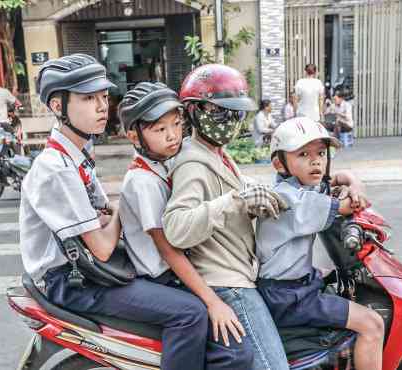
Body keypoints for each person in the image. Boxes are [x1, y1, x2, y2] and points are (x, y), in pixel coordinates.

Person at [19, 54, 210, 370]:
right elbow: (103, 248)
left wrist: (114, 213)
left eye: (103, 96)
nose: (100, 106)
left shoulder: (78, 154)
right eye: (87, 98)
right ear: (57, 106)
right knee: (190, 312)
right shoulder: (57, 168)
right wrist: (126, 204)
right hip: (72, 281)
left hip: (84, 267)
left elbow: (99, 215)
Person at [162, 63, 291, 370]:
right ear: (193, 112)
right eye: (220, 111)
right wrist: (236, 200)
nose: (231, 120)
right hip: (227, 284)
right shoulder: (193, 162)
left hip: (241, 274)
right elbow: (177, 228)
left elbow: (236, 189)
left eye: (236, 112)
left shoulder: (217, 152)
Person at [118, 81, 252, 369]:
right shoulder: (143, 181)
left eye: (177, 124)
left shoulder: (162, 164)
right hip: (163, 277)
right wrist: (213, 301)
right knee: (234, 351)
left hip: (178, 274)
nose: (173, 136)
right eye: (160, 129)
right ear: (134, 135)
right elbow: (169, 250)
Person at [256, 117, 385, 370]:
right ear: (278, 163)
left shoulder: (299, 187)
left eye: (321, 153)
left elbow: (339, 178)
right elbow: (352, 204)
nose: (315, 160)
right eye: (303, 154)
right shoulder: (289, 200)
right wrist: (355, 191)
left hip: (291, 287)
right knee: (373, 324)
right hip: (289, 297)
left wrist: (353, 182)